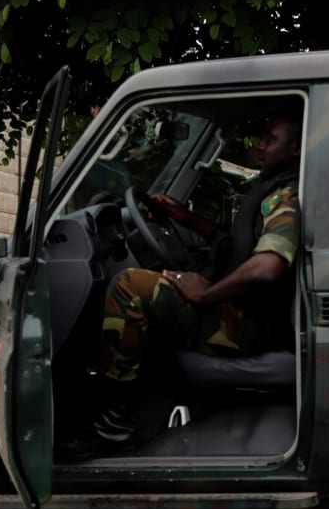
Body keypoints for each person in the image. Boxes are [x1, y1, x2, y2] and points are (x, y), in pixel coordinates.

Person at [72, 110, 302, 454]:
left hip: (249, 326)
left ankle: (113, 425)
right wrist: (184, 218)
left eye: (271, 139)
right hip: (244, 314)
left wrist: (207, 293)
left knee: (129, 285)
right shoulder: (270, 187)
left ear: (296, 148)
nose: (260, 145)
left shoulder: (286, 195)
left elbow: (267, 266)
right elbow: (232, 241)